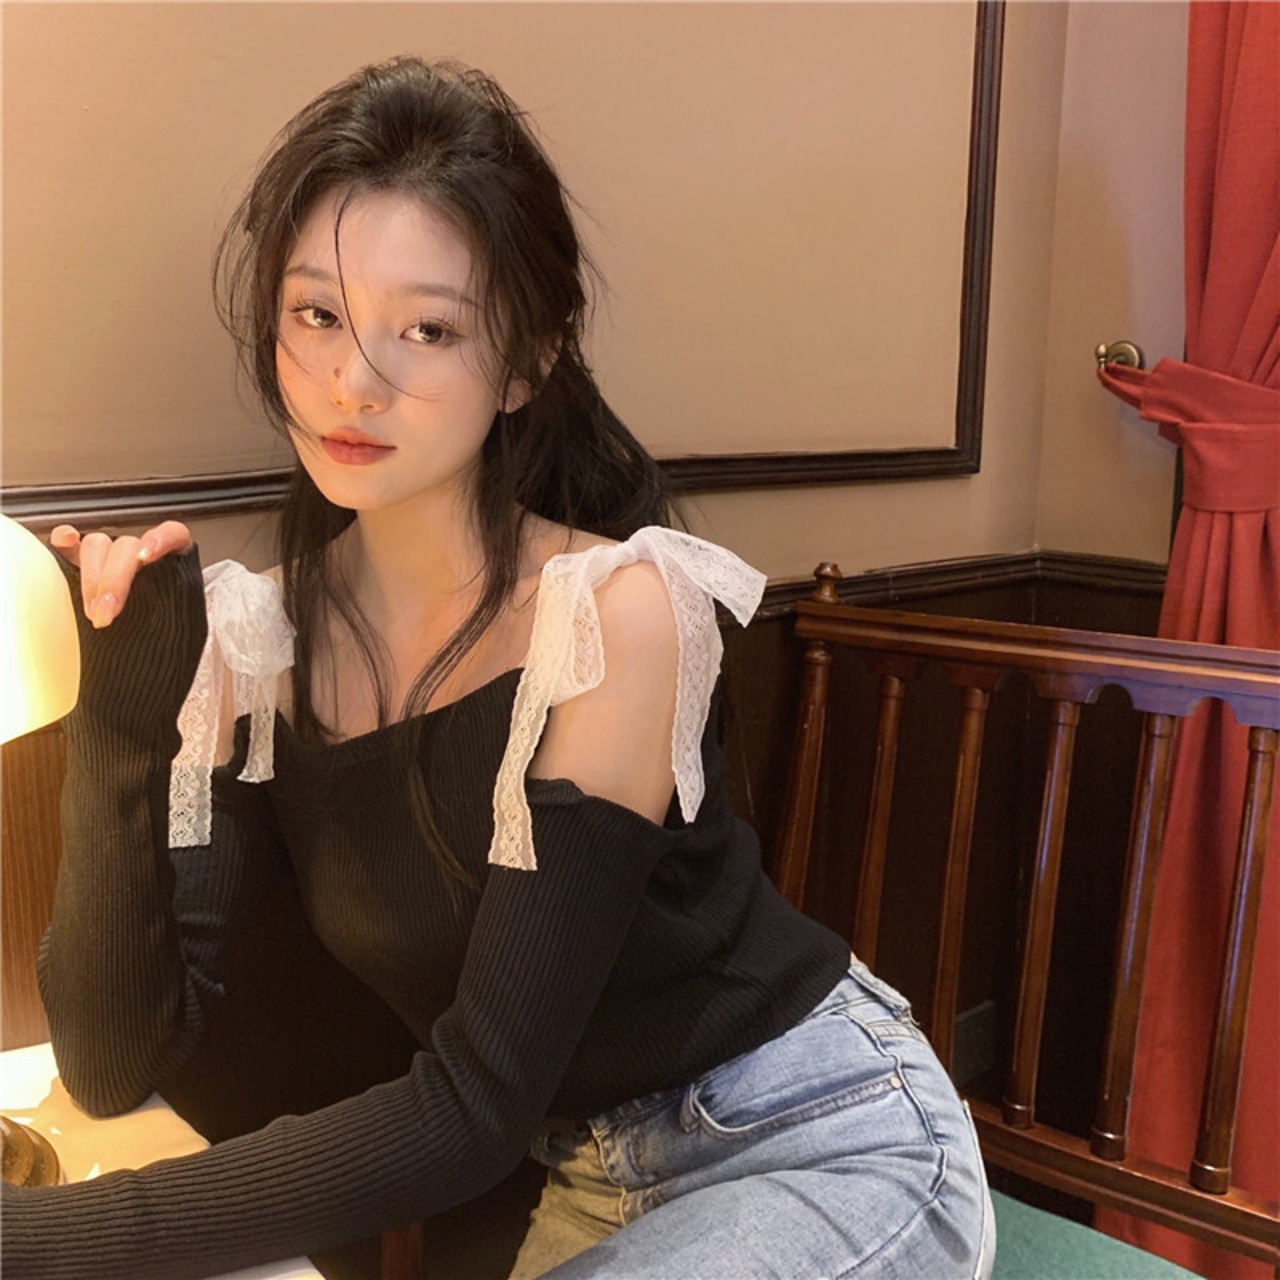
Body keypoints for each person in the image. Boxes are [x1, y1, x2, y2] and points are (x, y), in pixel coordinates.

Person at [2, 57, 994, 1280]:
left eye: (427, 329)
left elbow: (474, 1103)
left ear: (525, 360)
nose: (352, 381)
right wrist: (120, 719)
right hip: (589, 1176)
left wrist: (37, 1239)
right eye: (316, 314)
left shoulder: (613, 615)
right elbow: (112, 1060)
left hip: (818, 1134)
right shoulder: (264, 642)